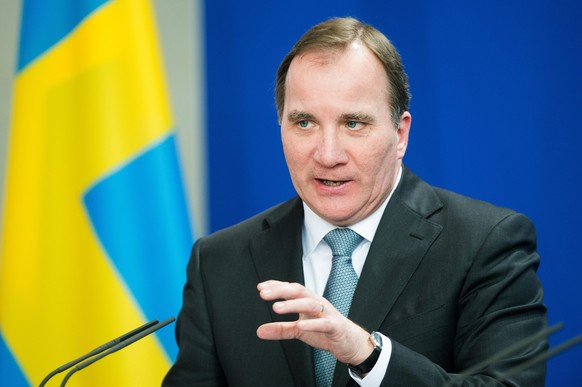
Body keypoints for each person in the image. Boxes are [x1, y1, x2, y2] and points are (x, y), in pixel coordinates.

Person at [163, 17, 547, 387]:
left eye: (353, 123)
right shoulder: (218, 261)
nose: (328, 154)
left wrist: (370, 356)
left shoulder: (485, 244)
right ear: (280, 127)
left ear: (400, 134)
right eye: (304, 123)